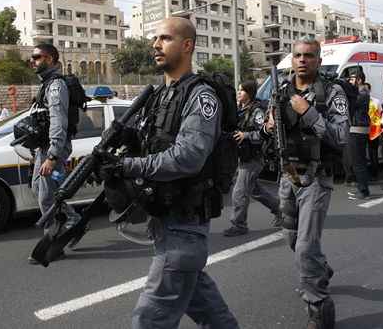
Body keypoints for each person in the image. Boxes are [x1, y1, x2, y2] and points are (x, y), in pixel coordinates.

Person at [98, 17, 239, 328]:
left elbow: (188, 157)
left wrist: (128, 166)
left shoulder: (201, 96)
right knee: (212, 315)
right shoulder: (162, 96)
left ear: (187, 46)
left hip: (185, 226)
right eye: (155, 38)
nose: (155, 45)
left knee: (148, 321)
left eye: (164, 38)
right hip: (165, 222)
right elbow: (156, 145)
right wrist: (125, 143)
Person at [263, 36, 348, 329]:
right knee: (292, 239)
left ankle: (318, 308)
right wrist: (269, 123)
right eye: (298, 55)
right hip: (288, 176)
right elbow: (266, 127)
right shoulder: (281, 91)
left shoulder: (331, 92)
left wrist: (308, 112)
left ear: (318, 61)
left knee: (305, 246)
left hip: (316, 176)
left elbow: (340, 137)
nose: (302, 60)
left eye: (309, 56)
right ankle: (320, 268)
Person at [28, 43, 80, 263]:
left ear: (49, 59)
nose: (33, 61)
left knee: (46, 197)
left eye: (37, 57)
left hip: (53, 148)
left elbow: (58, 122)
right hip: (44, 148)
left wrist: (52, 156)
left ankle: (53, 244)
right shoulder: (46, 84)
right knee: (38, 188)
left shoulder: (56, 85)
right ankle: (74, 220)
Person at [223, 79, 281, 237]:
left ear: (249, 93)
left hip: (253, 157)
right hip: (241, 156)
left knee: (239, 192)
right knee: (255, 190)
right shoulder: (239, 109)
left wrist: (245, 135)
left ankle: (239, 224)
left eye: (242, 90)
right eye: (238, 90)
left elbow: (263, 134)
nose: (239, 93)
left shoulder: (257, 111)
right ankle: (280, 209)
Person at [346, 70, 371, 200]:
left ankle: (363, 191)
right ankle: (362, 188)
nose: (350, 81)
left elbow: (351, 104)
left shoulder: (361, 92)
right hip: (358, 128)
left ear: (359, 80)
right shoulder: (361, 92)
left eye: (352, 79)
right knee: (358, 161)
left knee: (358, 162)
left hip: (358, 129)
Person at [365, 83, 382, 179]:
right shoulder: (376, 101)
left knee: (371, 152)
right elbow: (380, 113)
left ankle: (373, 172)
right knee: (371, 152)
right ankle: (373, 173)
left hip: (370, 129)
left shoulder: (375, 101)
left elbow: (380, 113)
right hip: (372, 129)